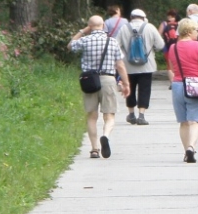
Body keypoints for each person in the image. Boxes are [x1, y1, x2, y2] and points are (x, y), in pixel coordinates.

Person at [69, 15, 131, 159]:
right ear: (103, 25)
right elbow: (120, 65)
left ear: (90, 26)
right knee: (109, 115)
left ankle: (94, 149)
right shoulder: (112, 42)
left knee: (92, 115)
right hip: (108, 79)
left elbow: (70, 45)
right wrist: (126, 84)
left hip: (89, 80)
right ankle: (106, 136)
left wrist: (83, 31)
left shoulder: (85, 40)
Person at [168, 18, 198, 163]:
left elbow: (173, 68)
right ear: (189, 31)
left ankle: (186, 150)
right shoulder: (197, 45)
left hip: (178, 85)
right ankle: (191, 147)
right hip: (195, 85)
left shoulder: (173, 48)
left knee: (183, 122)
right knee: (194, 121)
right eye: (196, 30)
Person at [117, 8, 165, 125]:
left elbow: (116, 45)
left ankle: (131, 114)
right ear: (144, 18)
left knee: (130, 88)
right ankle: (141, 115)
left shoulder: (124, 28)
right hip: (147, 65)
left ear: (131, 17)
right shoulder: (150, 27)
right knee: (145, 89)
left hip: (128, 65)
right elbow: (160, 45)